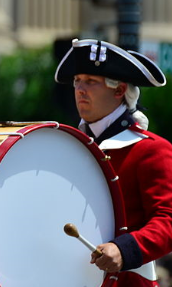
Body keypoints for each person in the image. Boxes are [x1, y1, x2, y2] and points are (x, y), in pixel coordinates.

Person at [55, 38, 172, 287]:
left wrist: (124, 249)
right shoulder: (69, 148)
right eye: (77, 80)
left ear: (119, 91)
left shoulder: (151, 150)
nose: (80, 89)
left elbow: (168, 219)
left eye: (91, 81)